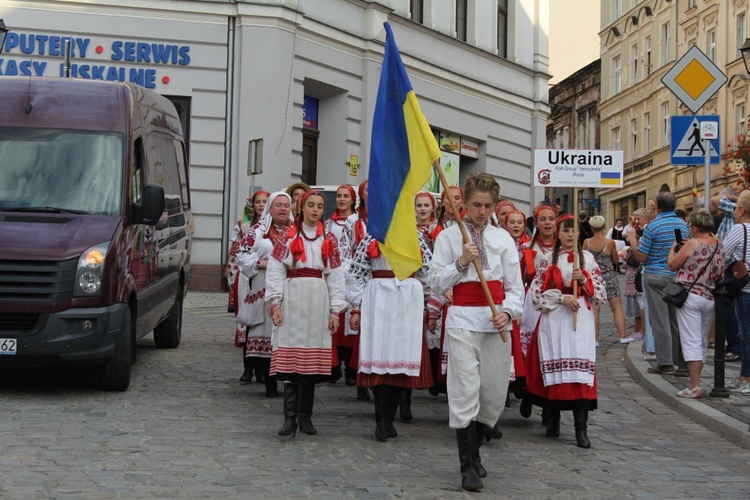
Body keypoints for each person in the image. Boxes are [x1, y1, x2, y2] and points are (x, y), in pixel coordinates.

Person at [430, 173, 524, 491]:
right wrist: (461, 262)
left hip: (494, 322)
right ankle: (467, 466)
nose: (481, 211)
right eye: (476, 205)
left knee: (494, 394)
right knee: (465, 390)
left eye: (487, 206)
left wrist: (509, 312)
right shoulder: (447, 237)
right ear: (465, 203)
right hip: (461, 321)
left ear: (495, 206)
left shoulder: (503, 239)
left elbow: (515, 287)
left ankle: (477, 451)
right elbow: (435, 283)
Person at [265, 191, 346, 437]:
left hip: (318, 300)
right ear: (301, 208)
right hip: (293, 298)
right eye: (310, 205)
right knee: (291, 360)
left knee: (310, 364)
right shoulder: (287, 237)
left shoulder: (329, 239)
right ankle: (289, 418)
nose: (315, 210)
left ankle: (305, 416)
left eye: (320, 206)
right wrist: (275, 303)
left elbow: (336, 276)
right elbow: (276, 270)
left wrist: (335, 311)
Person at [524, 214, 606, 449]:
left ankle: (581, 428)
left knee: (581, 371)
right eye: (566, 230)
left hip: (581, 318)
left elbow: (601, 293)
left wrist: (586, 279)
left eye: (574, 231)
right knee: (555, 366)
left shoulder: (588, 259)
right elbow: (537, 294)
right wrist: (562, 297)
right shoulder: (549, 259)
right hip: (557, 317)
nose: (570, 235)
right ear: (558, 234)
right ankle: (553, 419)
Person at [347, 228, 434, 441]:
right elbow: (357, 272)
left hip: (407, 298)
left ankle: (390, 416)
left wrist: (430, 303)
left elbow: (429, 271)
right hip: (379, 296)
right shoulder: (372, 235)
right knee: (380, 354)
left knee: (400, 358)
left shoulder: (416, 238)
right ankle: (380, 418)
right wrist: (356, 307)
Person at [235, 191, 293, 396]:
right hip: (264, 288)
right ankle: (269, 382)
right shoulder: (258, 231)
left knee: (287, 333)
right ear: (270, 207)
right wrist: (261, 263)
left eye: (286, 205)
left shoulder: (297, 231)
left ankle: (288, 381)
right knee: (267, 333)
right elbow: (241, 256)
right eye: (278, 205)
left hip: (290, 290)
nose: (283, 208)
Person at [627, 191, 688, 374]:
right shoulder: (682, 225)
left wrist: (632, 241)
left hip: (654, 277)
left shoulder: (653, 227)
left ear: (658, 207)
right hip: (675, 276)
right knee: (675, 321)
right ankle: (680, 361)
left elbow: (641, 256)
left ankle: (665, 362)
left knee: (659, 321)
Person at [666, 209, 723, 398]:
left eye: (691, 226)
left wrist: (673, 249)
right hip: (709, 297)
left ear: (696, 228)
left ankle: (694, 385)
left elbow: (673, 265)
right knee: (701, 341)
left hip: (690, 296)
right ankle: (696, 381)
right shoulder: (718, 243)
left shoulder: (692, 243)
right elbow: (719, 272)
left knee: (691, 341)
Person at [326, 184, 369, 400]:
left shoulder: (387, 218)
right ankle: (355, 371)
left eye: (346, 196)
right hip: (355, 275)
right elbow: (344, 250)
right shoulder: (353, 222)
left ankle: (363, 371)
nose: (342, 199)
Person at [583, 216, 632, 344]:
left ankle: (595, 339)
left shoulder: (586, 243)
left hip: (594, 278)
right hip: (609, 277)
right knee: (616, 307)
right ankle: (622, 336)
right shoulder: (609, 243)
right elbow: (616, 260)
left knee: (595, 308)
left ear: (592, 227)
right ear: (604, 226)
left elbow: (583, 259)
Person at [710, 187, 743, 362]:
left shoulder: (737, 212)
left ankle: (734, 347)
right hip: (739, 269)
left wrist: (735, 197)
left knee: (729, 309)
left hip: (732, 269)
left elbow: (714, 200)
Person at [722, 192, 750, 395]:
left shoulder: (739, 229)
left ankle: (746, 377)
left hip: (746, 288)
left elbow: (723, 255)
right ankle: (744, 375)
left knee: (746, 334)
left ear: (740, 210)